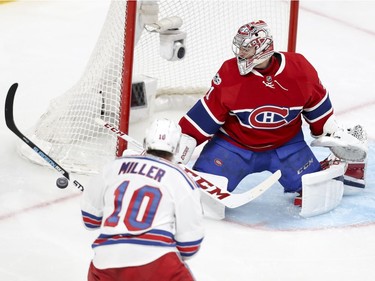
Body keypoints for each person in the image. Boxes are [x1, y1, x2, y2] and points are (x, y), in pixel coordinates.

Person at [177, 20, 367, 206]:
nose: (240, 53)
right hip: (234, 146)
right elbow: (201, 121)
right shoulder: (229, 73)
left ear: (263, 48)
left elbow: (319, 113)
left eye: (246, 48)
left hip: (286, 147)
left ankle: (333, 165)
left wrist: (331, 134)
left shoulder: (299, 70)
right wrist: (175, 152)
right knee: (201, 195)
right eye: (240, 47)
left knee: (316, 192)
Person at [81, 118, 204, 281]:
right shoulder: (180, 178)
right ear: (177, 147)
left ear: (146, 141)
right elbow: (190, 245)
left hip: (105, 263)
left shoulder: (112, 168)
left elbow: (90, 221)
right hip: (157, 261)